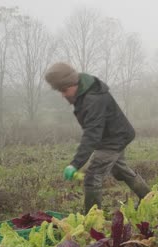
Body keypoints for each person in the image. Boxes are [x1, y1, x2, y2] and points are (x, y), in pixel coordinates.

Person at [44, 62, 150, 214]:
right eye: (60, 91)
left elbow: (92, 134)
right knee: (120, 170)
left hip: (113, 139)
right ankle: (148, 197)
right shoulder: (84, 91)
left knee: (92, 177)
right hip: (113, 136)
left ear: (73, 83)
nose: (63, 94)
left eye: (64, 90)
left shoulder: (93, 99)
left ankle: (93, 220)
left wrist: (75, 164)